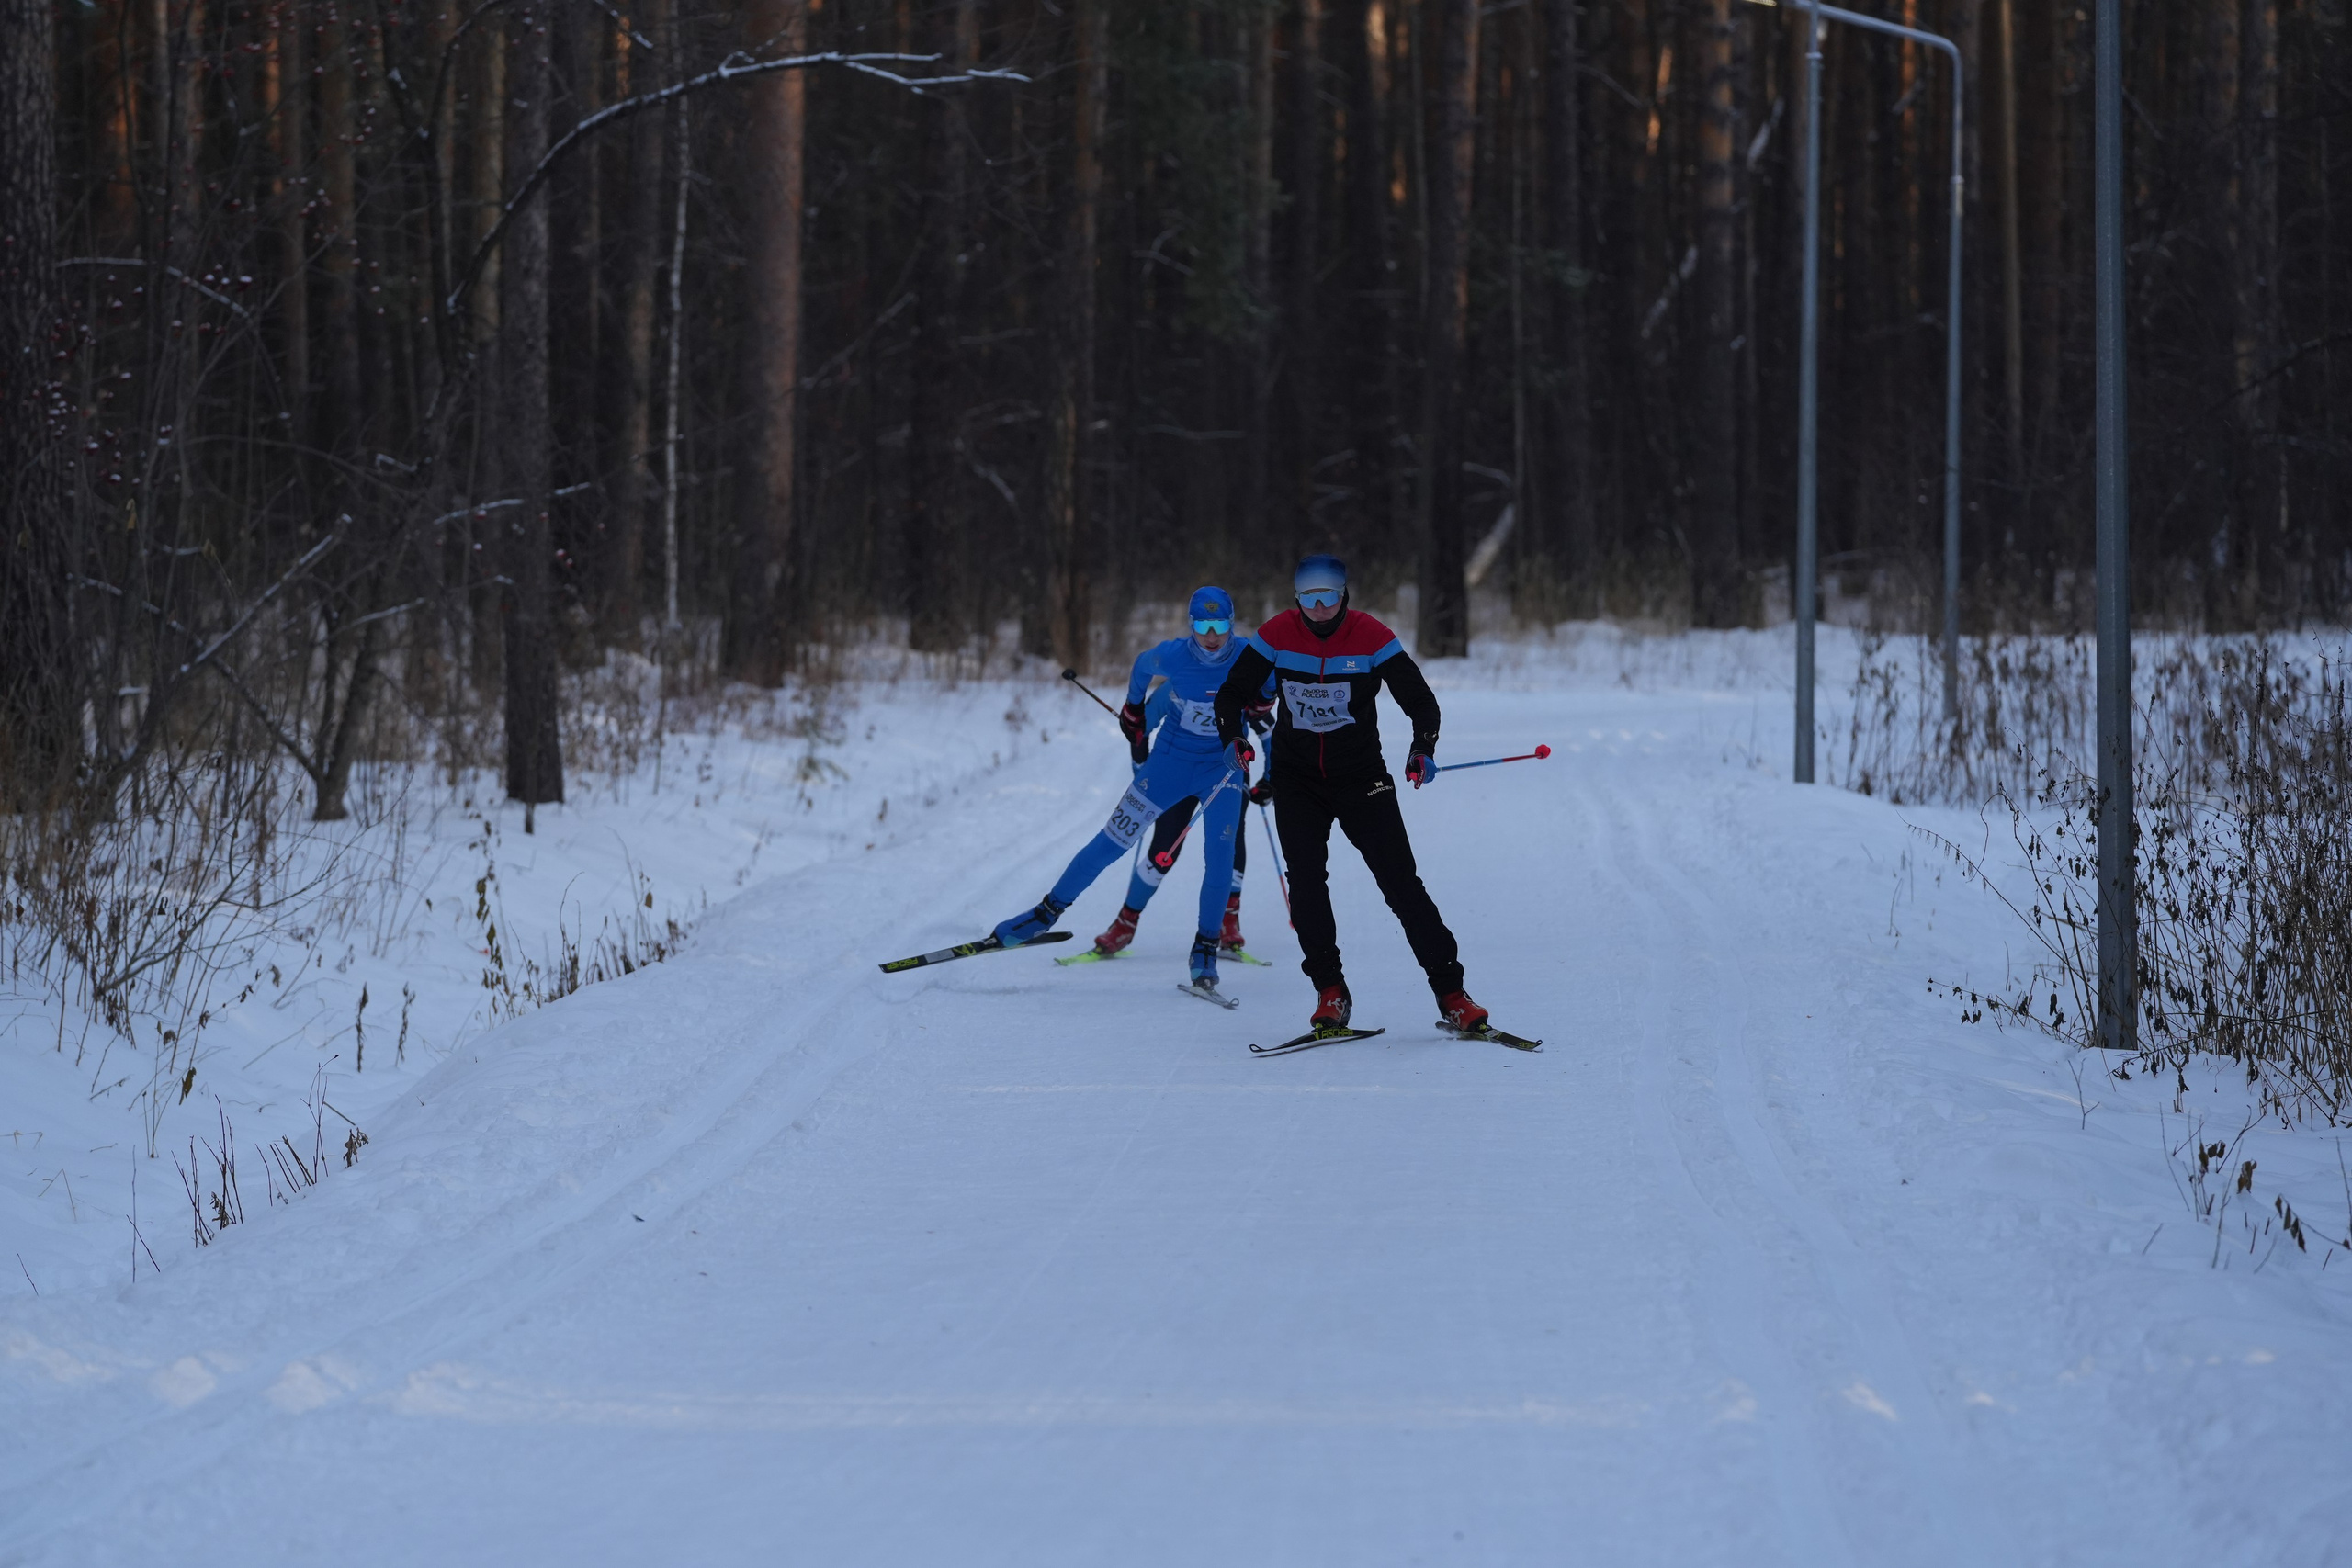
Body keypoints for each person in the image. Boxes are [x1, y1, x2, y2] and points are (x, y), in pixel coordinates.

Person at [1213, 554, 1487, 1033]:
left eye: (1330, 598)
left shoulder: (1372, 636)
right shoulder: (1276, 635)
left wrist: (1422, 747)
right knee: (1306, 883)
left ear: (1345, 596)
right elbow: (1230, 695)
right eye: (1309, 599)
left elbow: (1421, 701)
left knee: (1402, 884)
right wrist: (1232, 738)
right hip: (1297, 780)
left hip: (1362, 778)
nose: (1320, 609)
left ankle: (1452, 995)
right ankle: (1330, 992)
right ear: (1296, 599)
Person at [993, 587, 1252, 992]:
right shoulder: (1174, 655)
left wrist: (1266, 707)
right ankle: (1046, 912)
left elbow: (1280, 682)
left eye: (1220, 625)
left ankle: (1205, 945)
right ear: (1191, 625)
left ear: (1232, 623)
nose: (1212, 635)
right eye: (1203, 625)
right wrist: (1133, 709)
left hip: (1223, 770)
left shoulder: (1249, 656)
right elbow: (1141, 666)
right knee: (1112, 841)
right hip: (1169, 764)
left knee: (1219, 859)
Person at [1090, 681, 1272, 958]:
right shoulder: (1178, 682)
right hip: (1181, 771)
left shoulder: (1242, 683)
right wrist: (1142, 768)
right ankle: (1125, 922)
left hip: (1226, 772)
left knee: (1230, 840)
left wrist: (1270, 780)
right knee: (1165, 847)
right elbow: (1139, 729)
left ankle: (1228, 920)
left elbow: (1270, 731)